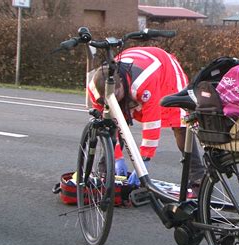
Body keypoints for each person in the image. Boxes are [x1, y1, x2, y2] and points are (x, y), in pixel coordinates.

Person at [87, 46, 204, 189]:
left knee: (180, 121)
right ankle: (106, 168)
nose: (112, 102)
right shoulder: (94, 90)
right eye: (107, 100)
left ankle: (198, 174)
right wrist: (117, 158)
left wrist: (143, 163)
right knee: (114, 124)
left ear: (121, 86)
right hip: (138, 65)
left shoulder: (143, 83)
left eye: (116, 96)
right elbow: (110, 126)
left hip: (164, 68)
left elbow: (152, 124)